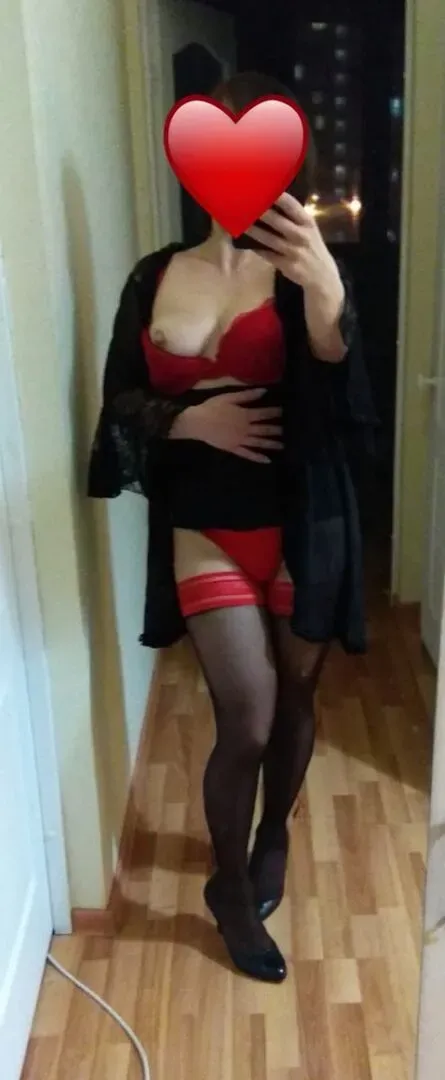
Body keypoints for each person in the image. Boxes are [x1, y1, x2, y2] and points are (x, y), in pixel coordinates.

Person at [88, 71, 376, 984]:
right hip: (205, 524)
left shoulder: (306, 274)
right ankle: (227, 885)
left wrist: (326, 297)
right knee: (245, 714)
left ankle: (272, 837)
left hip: (303, 522)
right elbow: (117, 402)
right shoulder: (154, 275)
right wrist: (186, 419)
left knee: (294, 700)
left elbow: (347, 406)